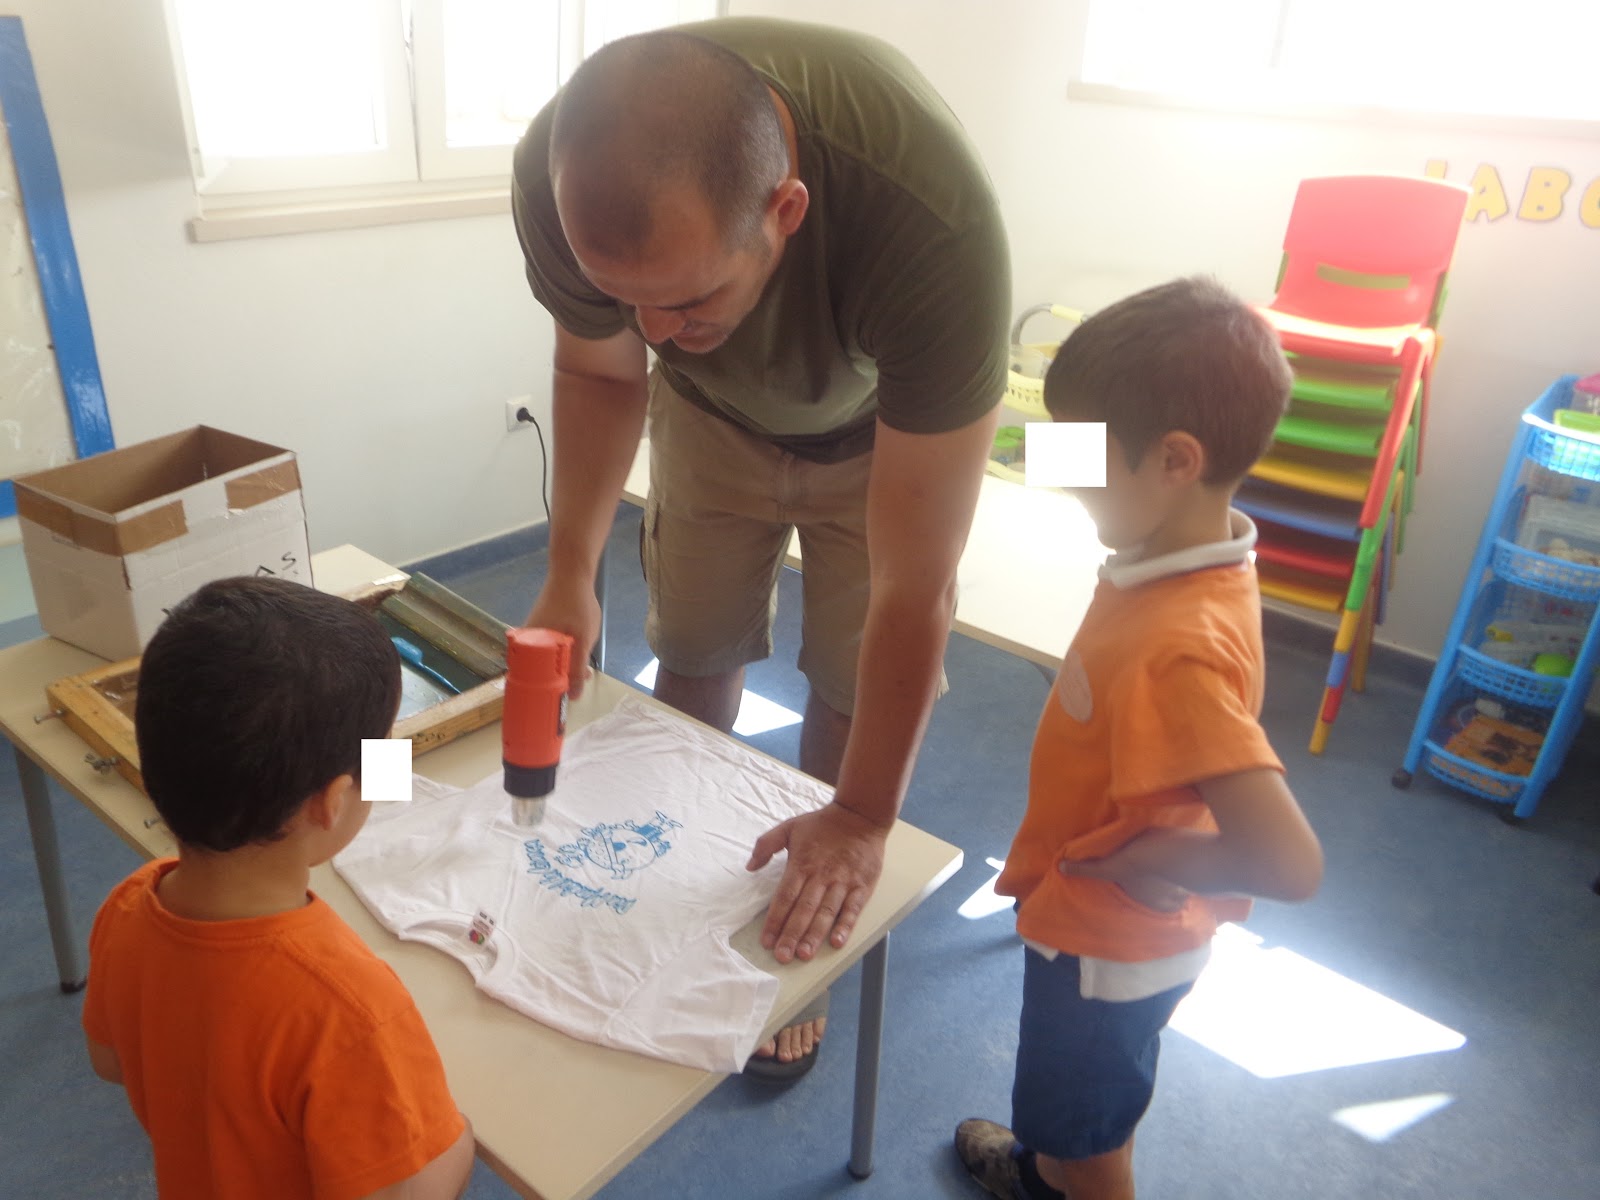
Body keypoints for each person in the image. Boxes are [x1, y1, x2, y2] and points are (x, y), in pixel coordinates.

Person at [512, 17, 1010, 1075]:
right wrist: (568, 575)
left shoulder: (930, 223)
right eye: (626, 300)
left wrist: (864, 817)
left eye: (687, 297)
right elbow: (601, 371)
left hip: (878, 435)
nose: (652, 331)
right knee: (693, 646)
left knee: (850, 674)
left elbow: (914, 590)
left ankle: (802, 911)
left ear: (786, 212)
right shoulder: (561, 173)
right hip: (710, 421)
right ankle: (668, 876)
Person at [954, 277, 1325, 1200]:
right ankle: (1044, 1170)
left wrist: (1144, 857)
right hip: (1108, 926)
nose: (1063, 473)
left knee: (1092, 1140)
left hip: (1106, 942)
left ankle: (1062, 1173)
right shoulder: (1198, 557)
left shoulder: (1178, 648)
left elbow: (1290, 865)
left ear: (1174, 460)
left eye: (1082, 456)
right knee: (1080, 1117)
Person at [81, 577, 475, 1199]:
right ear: (331, 802)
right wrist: (459, 1142)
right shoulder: (347, 1011)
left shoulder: (128, 902)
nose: (390, 768)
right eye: (382, 754)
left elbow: (109, 1062)